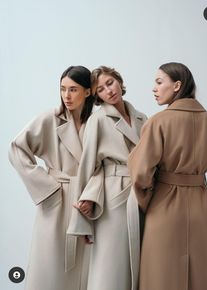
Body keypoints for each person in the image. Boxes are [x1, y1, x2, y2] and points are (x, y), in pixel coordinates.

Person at [127, 62, 207, 290]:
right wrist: (205, 202)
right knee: (203, 277)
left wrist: (150, 203)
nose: (154, 88)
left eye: (159, 82)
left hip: (162, 208)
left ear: (177, 85)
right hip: (199, 210)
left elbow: (139, 174)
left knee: (160, 277)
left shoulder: (158, 122)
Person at [8, 65, 94, 290]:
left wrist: (96, 196)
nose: (66, 95)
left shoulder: (97, 122)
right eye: (63, 89)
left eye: (73, 89)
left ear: (88, 91)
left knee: (88, 269)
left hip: (87, 202)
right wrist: (47, 188)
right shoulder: (50, 118)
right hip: (57, 200)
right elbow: (16, 149)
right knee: (51, 267)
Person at [67, 66, 147, 290]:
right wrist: (81, 221)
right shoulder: (98, 120)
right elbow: (87, 167)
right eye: (100, 89)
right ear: (97, 96)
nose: (108, 91)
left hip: (142, 195)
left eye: (110, 83)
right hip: (114, 197)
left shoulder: (143, 118)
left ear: (119, 81)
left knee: (140, 263)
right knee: (109, 263)